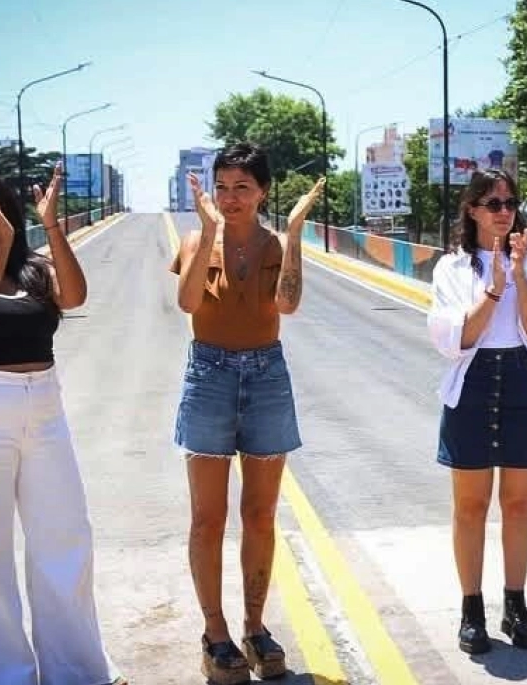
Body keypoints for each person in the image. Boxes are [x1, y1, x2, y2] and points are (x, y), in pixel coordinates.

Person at [0, 166, 126, 685]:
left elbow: (75, 295)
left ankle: (78, 671)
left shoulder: (33, 270)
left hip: (43, 407)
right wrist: (0, 247)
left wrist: (49, 226)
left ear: (7, 214)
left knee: (65, 538)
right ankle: (3, 675)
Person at [169, 142, 324, 684]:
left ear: (262, 192)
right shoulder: (196, 240)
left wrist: (298, 232)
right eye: (223, 187)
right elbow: (188, 304)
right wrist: (209, 233)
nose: (231, 199)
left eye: (243, 188)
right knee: (207, 517)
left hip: (266, 376)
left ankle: (255, 626)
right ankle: (215, 634)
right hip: (209, 374)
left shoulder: (275, 244)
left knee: (259, 514)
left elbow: (287, 304)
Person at [427, 168, 527, 655]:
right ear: (472, 210)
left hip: (523, 383)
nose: (504, 212)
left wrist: (520, 275)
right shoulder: (452, 268)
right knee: (470, 506)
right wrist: (493, 286)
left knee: (519, 504)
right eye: (493, 204)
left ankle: (516, 604)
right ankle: (471, 610)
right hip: (475, 384)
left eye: (510, 204)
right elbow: (457, 340)